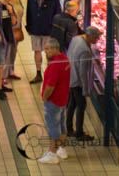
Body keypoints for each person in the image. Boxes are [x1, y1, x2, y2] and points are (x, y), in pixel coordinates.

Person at [38, 37, 71, 165]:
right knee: (62, 125)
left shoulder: (55, 66)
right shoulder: (65, 59)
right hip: (63, 99)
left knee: (53, 127)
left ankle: (52, 153)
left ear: (54, 48)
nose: (45, 51)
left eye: (46, 49)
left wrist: (45, 97)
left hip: (54, 101)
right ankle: (61, 150)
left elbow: (50, 86)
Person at [66, 26, 101, 141]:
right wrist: (86, 89)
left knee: (72, 104)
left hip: (70, 76)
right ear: (90, 36)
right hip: (77, 82)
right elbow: (83, 72)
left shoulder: (76, 39)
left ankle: (69, 129)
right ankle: (79, 133)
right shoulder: (85, 51)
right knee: (81, 105)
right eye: (96, 37)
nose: (98, 39)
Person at [26, 0, 61, 83]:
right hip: (35, 30)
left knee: (49, 53)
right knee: (37, 51)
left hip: (48, 31)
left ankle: (49, 74)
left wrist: (54, 29)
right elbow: (29, 13)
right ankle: (38, 74)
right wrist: (29, 27)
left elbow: (57, 14)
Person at [6, 0, 25, 82]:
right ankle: (4, 74)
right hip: (9, 29)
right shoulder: (8, 0)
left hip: (17, 28)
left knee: (13, 51)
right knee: (8, 51)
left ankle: (11, 71)